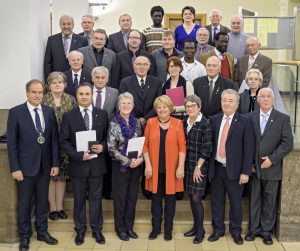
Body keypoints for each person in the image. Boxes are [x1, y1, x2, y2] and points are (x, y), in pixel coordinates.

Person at [7, 79, 60, 251]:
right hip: (24, 168)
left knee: (42, 202)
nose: (37, 95)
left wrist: (55, 163)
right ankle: (24, 236)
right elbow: (12, 143)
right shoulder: (16, 112)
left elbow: (53, 140)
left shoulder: (48, 111)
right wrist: (15, 168)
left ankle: (42, 232)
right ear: (27, 93)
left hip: (45, 166)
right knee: (25, 203)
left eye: (40, 92)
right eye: (34, 92)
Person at [59, 83, 109, 245]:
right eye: (81, 94)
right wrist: (78, 155)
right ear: (77, 95)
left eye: (87, 94)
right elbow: (64, 141)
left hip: (97, 166)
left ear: (92, 95)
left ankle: (96, 230)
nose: (84, 97)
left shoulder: (102, 114)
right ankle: (80, 231)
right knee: (79, 199)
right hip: (78, 165)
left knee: (96, 199)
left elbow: (108, 138)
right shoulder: (69, 116)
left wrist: (103, 146)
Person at [245, 88, 293, 245]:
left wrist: (272, 159)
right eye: (262, 96)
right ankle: (253, 229)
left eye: (268, 96)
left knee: (269, 200)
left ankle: (266, 231)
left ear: (273, 99)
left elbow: (287, 143)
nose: (265, 99)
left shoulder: (283, 118)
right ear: (257, 100)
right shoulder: (248, 118)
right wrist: (249, 163)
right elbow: (244, 142)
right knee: (254, 200)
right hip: (253, 168)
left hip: (272, 168)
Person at [208, 89, 255, 245]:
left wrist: (245, 172)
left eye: (230, 101)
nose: (227, 103)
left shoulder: (245, 121)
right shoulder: (213, 119)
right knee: (216, 202)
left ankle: (236, 231)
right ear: (220, 102)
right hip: (216, 168)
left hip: (235, 171)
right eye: (224, 100)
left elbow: (249, 148)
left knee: (235, 203)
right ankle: (218, 230)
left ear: (237, 103)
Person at [143, 95, 186, 241]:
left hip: (172, 170)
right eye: (159, 107)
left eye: (165, 107)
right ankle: (155, 229)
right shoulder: (150, 122)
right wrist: (147, 165)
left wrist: (181, 167)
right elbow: (145, 145)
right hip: (154, 169)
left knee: (170, 201)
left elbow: (182, 147)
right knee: (155, 201)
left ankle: (168, 229)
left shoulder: (178, 123)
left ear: (170, 108)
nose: (162, 109)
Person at [107, 92, 144, 241]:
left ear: (133, 105)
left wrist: (140, 159)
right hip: (120, 167)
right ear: (119, 105)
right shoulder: (113, 123)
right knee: (121, 198)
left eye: (129, 103)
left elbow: (141, 143)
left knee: (132, 197)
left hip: (136, 166)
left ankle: (129, 227)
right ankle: (120, 228)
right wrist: (128, 161)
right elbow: (111, 149)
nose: (126, 106)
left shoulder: (136, 123)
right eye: (123, 103)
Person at [43, 72, 76, 221]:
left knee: (61, 176)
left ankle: (60, 207)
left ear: (65, 85)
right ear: (48, 85)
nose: (57, 85)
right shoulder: (43, 101)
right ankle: (53, 208)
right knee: (51, 176)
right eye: (54, 82)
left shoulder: (71, 100)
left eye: (60, 82)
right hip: (47, 145)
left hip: (65, 144)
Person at [183, 95, 212, 244]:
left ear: (199, 107)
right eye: (187, 106)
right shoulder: (184, 121)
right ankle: (195, 227)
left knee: (196, 197)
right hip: (186, 164)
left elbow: (207, 148)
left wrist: (198, 167)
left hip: (199, 165)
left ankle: (200, 230)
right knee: (191, 196)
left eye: (193, 106)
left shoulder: (205, 123)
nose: (190, 109)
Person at [92, 66, 119, 199]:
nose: (100, 80)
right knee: (91, 163)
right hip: (89, 133)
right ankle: (90, 192)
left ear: (107, 79)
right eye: (97, 77)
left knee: (107, 163)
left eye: (103, 77)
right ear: (92, 78)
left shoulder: (114, 92)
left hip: (108, 133)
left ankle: (107, 191)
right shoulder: (85, 91)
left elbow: (116, 113)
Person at [119, 55, 162, 127]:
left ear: (149, 67)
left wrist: (145, 119)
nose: (142, 67)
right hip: (131, 123)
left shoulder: (157, 82)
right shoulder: (125, 82)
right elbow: (123, 104)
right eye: (139, 64)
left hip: (152, 122)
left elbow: (158, 104)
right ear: (134, 67)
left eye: (145, 64)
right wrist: (135, 120)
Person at [44, 15, 88, 80]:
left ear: (73, 25)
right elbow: (47, 62)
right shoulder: (52, 40)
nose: (66, 26)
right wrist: (48, 80)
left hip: (76, 79)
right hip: (57, 79)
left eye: (69, 24)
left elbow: (85, 61)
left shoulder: (82, 40)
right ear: (60, 25)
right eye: (63, 24)